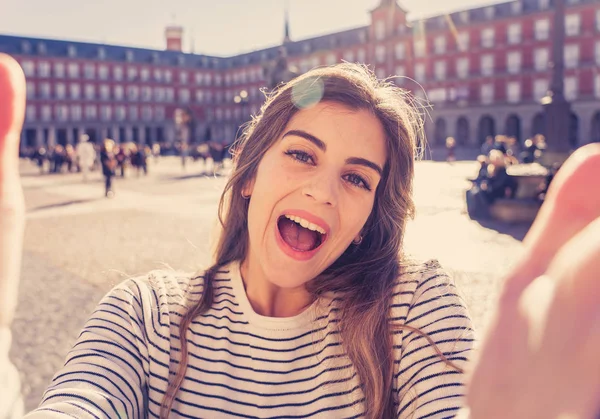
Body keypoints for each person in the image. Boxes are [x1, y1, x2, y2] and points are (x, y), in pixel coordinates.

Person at [1, 56, 600, 418]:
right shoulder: (146, 316)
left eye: (357, 178)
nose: (323, 192)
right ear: (248, 176)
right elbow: (81, 401)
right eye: (300, 154)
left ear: (371, 212)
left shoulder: (409, 306)